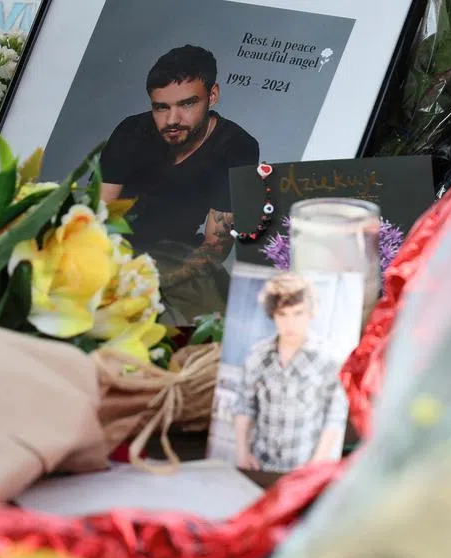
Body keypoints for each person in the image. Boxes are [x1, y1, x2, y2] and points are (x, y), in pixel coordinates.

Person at [100, 44, 260, 320]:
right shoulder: (131, 130)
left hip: (179, 254)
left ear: (213, 96)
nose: (172, 120)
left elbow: (215, 244)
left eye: (187, 103)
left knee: (229, 324)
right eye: (161, 107)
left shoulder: (238, 146)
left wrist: (157, 284)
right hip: (114, 246)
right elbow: (96, 214)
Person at [234, 273, 346, 472]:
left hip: (303, 466)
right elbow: (245, 404)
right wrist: (242, 452)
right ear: (273, 315)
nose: (290, 323)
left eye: (298, 313)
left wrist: (315, 465)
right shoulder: (258, 355)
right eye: (282, 314)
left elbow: (335, 415)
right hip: (260, 463)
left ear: (310, 313)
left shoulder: (328, 358)